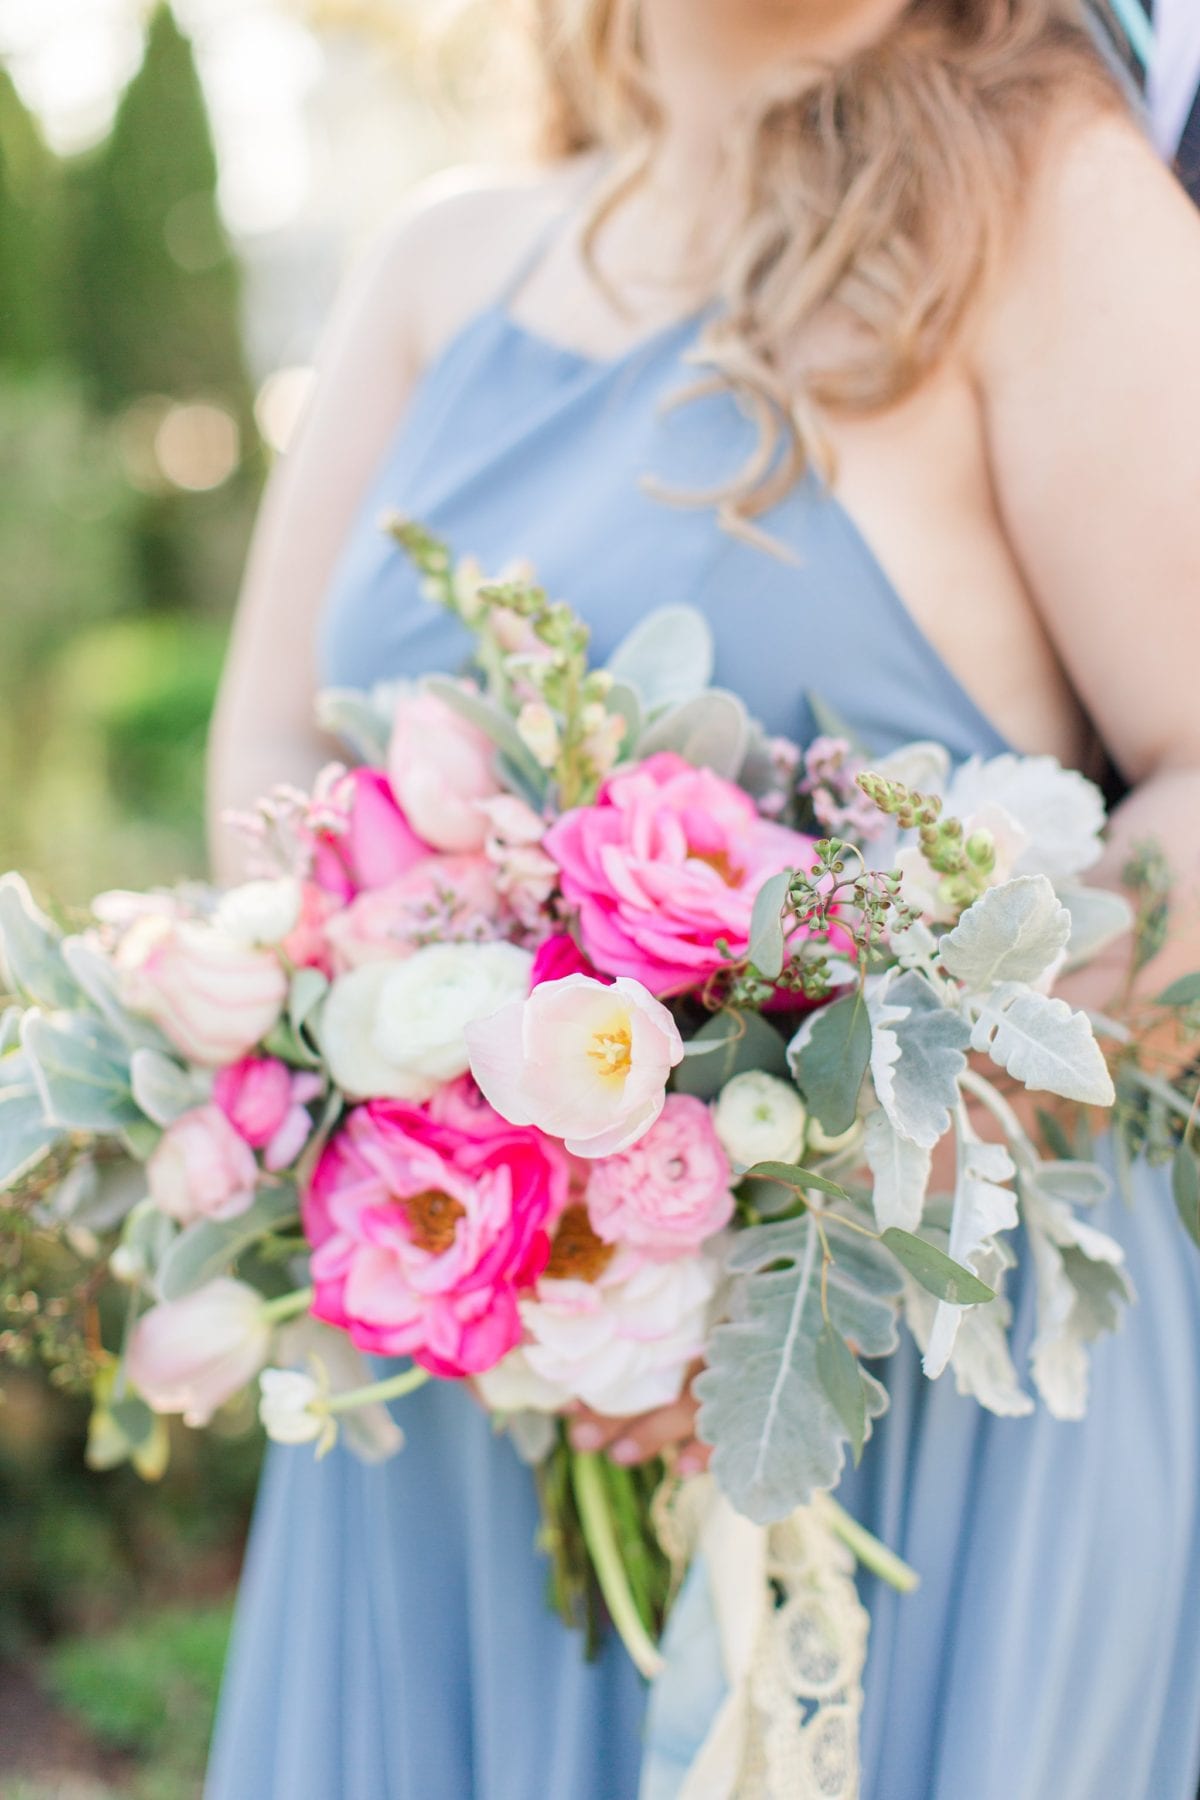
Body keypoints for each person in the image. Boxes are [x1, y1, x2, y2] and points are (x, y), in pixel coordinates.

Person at [203, 3, 1200, 1796]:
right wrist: (427, 1139)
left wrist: (782, 1203)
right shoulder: (442, 262)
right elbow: (271, 743)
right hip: (450, 1392)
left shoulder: (1052, 202)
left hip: (886, 1391)